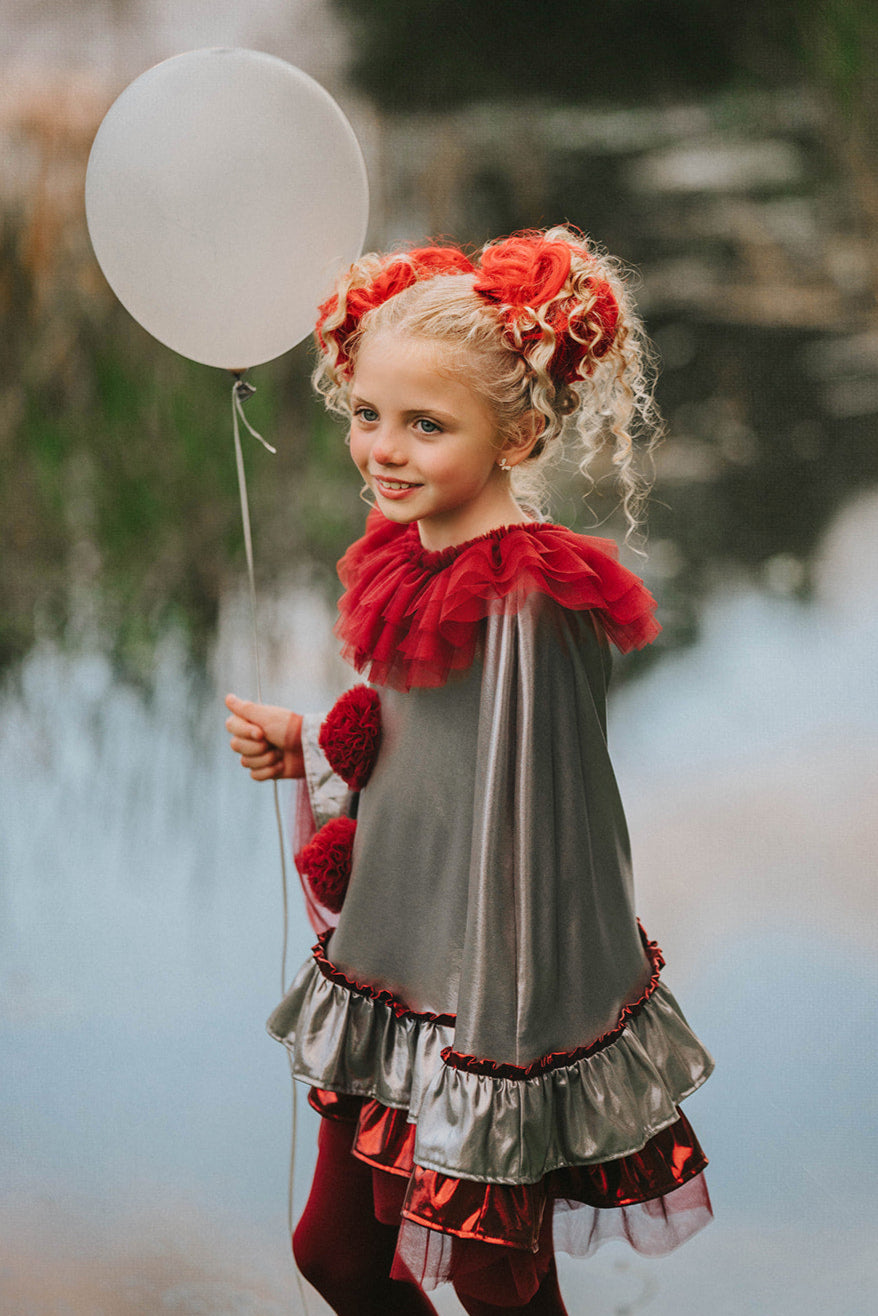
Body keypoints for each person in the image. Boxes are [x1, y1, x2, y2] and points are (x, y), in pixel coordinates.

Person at [224, 227, 714, 1316]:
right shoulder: (416, 555)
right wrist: (309, 741)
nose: (382, 450)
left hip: (492, 1013)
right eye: (366, 414)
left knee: (494, 1280)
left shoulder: (527, 603)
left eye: (425, 425)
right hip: (394, 973)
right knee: (340, 1254)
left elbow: (544, 831)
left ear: (519, 431)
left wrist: (497, 1069)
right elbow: (429, 750)